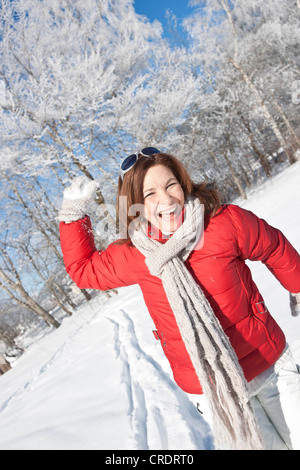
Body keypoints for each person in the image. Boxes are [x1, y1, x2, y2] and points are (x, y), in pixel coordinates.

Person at [59, 148, 300, 450]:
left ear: (183, 183)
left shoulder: (223, 222)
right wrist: (73, 215)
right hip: (214, 390)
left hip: (272, 366)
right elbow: (83, 271)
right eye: (149, 193)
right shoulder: (135, 255)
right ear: (136, 205)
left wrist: (297, 285)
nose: (165, 199)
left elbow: (273, 246)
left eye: (170, 184)